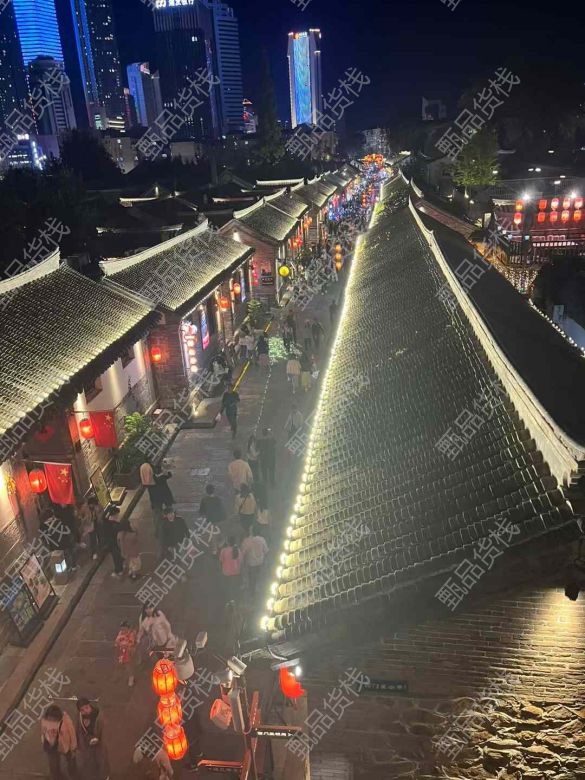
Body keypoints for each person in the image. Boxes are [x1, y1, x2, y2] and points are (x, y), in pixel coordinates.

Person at [41, 704, 78, 780]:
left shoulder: (65, 719)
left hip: (65, 744)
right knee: (54, 765)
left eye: (53, 719)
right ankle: (57, 776)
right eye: (50, 718)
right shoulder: (44, 720)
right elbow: (43, 732)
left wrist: (73, 747)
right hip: (52, 746)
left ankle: (73, 774)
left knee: (70, 760)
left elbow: (72, 733)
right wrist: (46, 740)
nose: (52, 720)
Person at [75, 698, 109, 780]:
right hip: (87, 745)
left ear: (90, 705)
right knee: (91, 761)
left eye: (87, 708)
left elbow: (104, 731)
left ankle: (105, 776)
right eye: (82, 710)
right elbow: (79, 730)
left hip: (99, 744)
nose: (85, 711)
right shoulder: (80, 717)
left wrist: (99, 740)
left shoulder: (99, 716)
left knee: (102, 760)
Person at [241, 525, 269, 598]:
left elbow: (243, 553)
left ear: (251, 532)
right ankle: (261, 592)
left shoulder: (247, 541)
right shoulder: (262, 539)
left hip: (251, 564)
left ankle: (252, 593)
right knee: (260, 577)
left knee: (252, 579)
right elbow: (266, 551)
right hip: (261, 562)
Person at [218, 536, 243, 604]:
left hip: (226, 572)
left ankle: (228, 601)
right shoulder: (237, 550)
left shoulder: (224, 550)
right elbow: (240, 561)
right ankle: (233, 601)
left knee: (227, 587)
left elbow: (221, 561)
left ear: (227, 542)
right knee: (234, 587)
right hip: (236, 572)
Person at [115, 620, 138, 687]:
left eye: (124, 628)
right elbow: (117, 641)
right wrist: (118, 644)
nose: (123, 630)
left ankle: (131, 677)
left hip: (128, 651)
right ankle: (123, 676)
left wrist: (125, 645)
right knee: (121, 664)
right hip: (121, 651)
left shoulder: (131, 634)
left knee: (128, 664)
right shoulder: (120, 633)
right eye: (122, 628)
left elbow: (131, 643)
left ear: (127, 628)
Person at [102, 508, 124, 578]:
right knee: (116, 554)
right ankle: (120, 566)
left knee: (116, 556)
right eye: (117, 514)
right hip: (112, 541)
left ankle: (119, 570)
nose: (118, 516)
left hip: (112, 542)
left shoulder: (107, 521)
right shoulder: (113, 523)